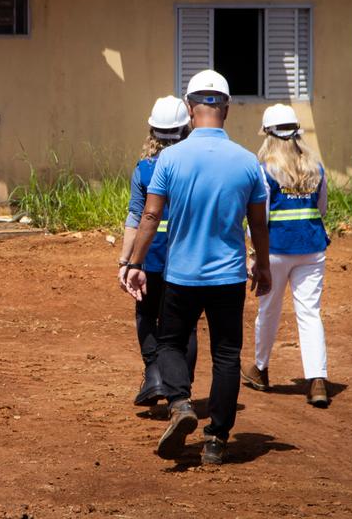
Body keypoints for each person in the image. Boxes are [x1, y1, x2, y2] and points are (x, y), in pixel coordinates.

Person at [122, 70, 271, 465]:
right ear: (227, 109)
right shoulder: (247, 162)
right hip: (229, 277)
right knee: (226, 354)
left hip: (181, 274)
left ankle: (181, 402)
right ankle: (217, 441)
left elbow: (150, 217)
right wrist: (265, 266)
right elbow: (258, 223)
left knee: (170, 341)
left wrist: (135, 263)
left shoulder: (169, 159)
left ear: (190, 110)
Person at [241, 104, 332, 407]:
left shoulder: (263, 169)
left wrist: (256, 255)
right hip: (312, 247)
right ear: (296, 133)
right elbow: (322, 209)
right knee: (310, 313)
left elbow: (258, 218)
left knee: (268, 309)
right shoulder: (315, 166)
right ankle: (317, 381)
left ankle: (260, 369)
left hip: (276, 250)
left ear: (268, 134)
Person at [117, 95, 196, 416]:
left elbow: (136, 217)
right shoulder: (193, 166)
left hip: (150, 257)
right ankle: (181, 389)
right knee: (186, 325)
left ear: (152, 130)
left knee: (147, 315)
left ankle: (155, 375)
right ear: (186, 129)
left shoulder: (144, 170)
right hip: (187, 257)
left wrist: (125, 261)